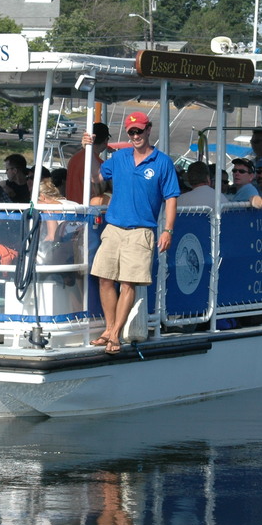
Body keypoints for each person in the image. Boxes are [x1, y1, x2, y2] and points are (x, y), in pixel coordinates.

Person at [85, 111, 179, 355]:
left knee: (128, 283)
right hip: (114, 228)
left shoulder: (162, 162)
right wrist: (89, 149)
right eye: (131, 132)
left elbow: (171, 198)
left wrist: (167, 230)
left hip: (141, 231)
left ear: (148, 129)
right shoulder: (120, 157)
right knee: (104, 279)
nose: (136, 135)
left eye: (139, 131)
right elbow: (97, 177)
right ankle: (109, 329)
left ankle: (115, 333)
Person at [66, 122, 110, 203]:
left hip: (72, 205)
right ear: (105, 140)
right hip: (88, 207)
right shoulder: (100, 165)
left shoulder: (74, 159)